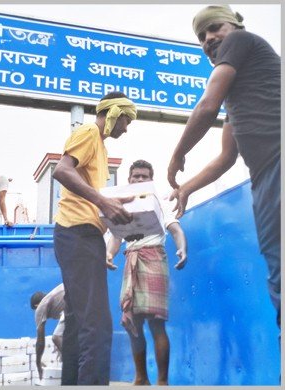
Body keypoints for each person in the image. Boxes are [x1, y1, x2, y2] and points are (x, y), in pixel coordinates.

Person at [167, 5, 280, 328]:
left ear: (234, 26)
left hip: (278, 162)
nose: (209, 39)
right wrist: (186, 187)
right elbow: (226, 157)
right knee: (277, 276)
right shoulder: (239, 90)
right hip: (265, 182)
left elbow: (206, 105)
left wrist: (178, 155)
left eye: (215, 28)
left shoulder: (241, 41)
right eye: (201, 36)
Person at [52, 91, 137, 385]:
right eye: (127, 120)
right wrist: (103, 203)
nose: (126, 128)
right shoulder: (89, 131)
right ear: (114, 112)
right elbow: (62, 171)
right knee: (97, 324)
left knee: (78, 323)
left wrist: (114, 202)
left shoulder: (99, 146)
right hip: (76, 233)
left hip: (80, 235)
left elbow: (91, 193)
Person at [106, 160, 188, 385]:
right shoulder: (121, 204)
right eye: (136, 177)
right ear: (129, 180)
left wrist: (182, 247)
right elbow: (115, 236)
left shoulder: (158, 202)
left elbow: (175, 229)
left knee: (156, 323)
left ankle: (162, 381)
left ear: (151, 180)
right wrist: (109, 254)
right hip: (130, 259)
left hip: (154, 257)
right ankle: (141, 378)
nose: (140, 180)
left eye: (144, 177)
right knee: (133, 324)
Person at [31, 284, 66, 381]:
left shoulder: (41, 306)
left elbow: (40, 341)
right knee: (62, 339)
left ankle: (73, 366)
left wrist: (38, 363)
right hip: (84, 298)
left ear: (36, 305)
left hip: (75, 303)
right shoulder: (55, 299)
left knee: (55, 338)